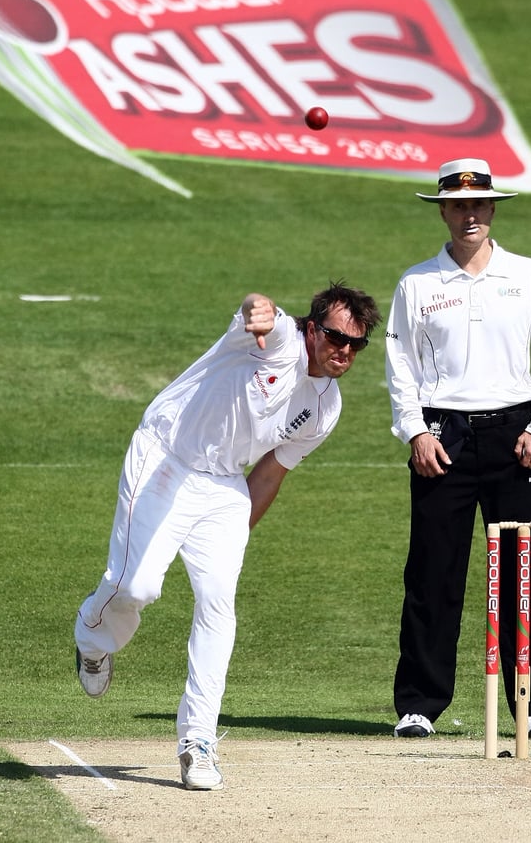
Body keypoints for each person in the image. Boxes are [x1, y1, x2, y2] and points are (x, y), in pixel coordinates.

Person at [75, 282, 380, 789]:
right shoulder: (278, 339)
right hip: (166, 457)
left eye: (356, 344)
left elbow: (270, 473)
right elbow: (258, 309)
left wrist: (234, 537)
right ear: (311, 328)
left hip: (224, 486)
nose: (344, 351)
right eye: (334, 337)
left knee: (218, 604)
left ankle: (198, 742)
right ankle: (92, 632)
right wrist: (256, 311)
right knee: (138, 587)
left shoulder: (326, 407)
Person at [385, 159, 531, 740]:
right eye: (458, 205)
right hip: (444, 434)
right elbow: (400, 366)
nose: (470, 214)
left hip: (517, 434)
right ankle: (419, 703)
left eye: (479, 205)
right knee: (433, 571)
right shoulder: (417, 283)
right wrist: (415, 431)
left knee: (525, 570)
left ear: (492, 210)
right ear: (442, 210)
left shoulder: (528, 275)